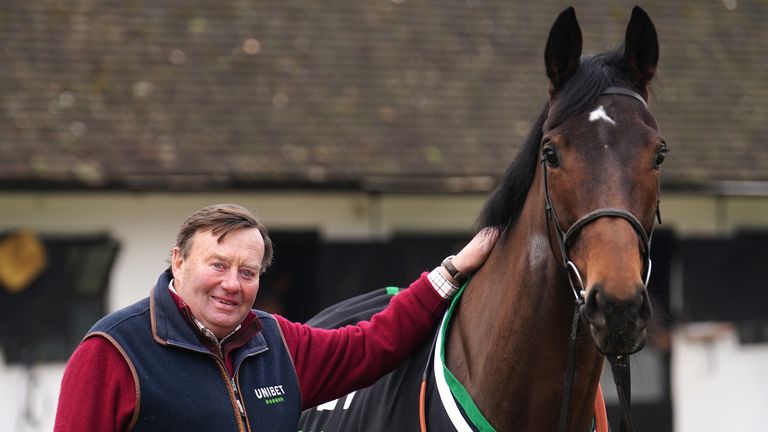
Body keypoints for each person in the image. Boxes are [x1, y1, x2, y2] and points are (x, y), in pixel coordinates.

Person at [54, 203, 499, 431]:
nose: (232, 283)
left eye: (247, 272)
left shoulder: (276, 344)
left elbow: (372, 344)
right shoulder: (112, 353)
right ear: (178, 261)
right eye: (218, 264)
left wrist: (453, 271)